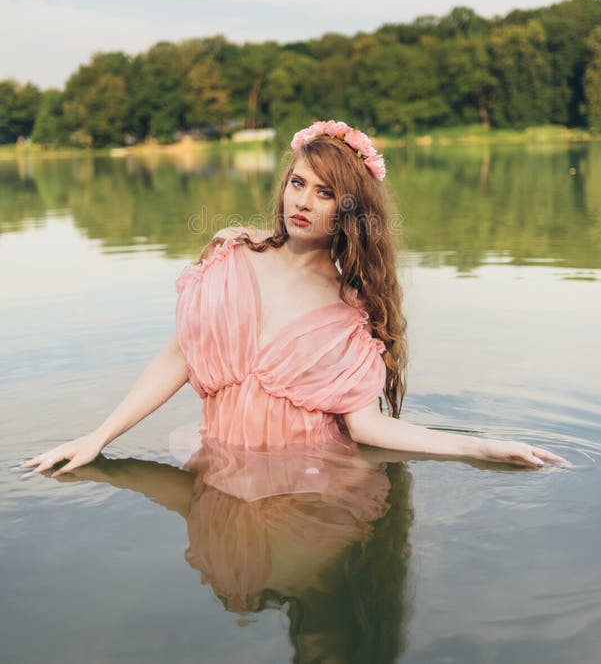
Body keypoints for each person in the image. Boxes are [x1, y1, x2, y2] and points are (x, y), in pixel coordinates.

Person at [23, 119, 566, 482]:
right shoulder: (231, 254)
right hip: (218, 455)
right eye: (299, 183)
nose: (303, 202)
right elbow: (179, 358)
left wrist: (479, 448)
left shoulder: (350, 309)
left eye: (326, 193)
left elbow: (366, 426)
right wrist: (97, 437)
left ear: (349, 210)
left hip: (310, 476)